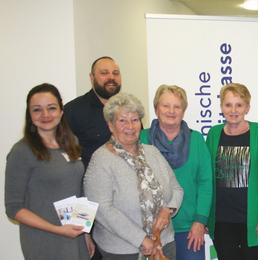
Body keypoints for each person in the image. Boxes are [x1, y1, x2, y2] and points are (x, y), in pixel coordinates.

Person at [84, 93, 183, 259]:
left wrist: (168, 210)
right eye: (122, 120)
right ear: (110, 125)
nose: (130, 126)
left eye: (135, 120)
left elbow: (176, 188)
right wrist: (142, 240)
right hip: (124, 251)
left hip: (165, 243)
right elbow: (102, 209)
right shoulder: (101, 159)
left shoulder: (152, 152)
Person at [5, 83, 93, 260]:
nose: (45, 115)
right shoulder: (22, 151)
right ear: (30, 115)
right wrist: (58, 230)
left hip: (75, 236)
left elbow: (77, 191)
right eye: (37, 110)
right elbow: (14, 208)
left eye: (51, 108)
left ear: (61, 111)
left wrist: (85, 233)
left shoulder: (71, 143)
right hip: (45, 240)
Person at [206, 83, 258, 260]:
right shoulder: (214, 133)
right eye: (228, 105)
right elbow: (206, 178)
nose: (233, 110)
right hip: (222, 221)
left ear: (247, 107)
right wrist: (206, 216)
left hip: (253, 221)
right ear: (221, 106)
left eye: (239, 105)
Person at [140, 85, 213, 260]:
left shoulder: (196, 140)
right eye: (166, 106)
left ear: (183, 110)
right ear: (156, 108)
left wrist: (200, 221)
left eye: (177, 106)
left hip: (189, 229)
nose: (171, 111)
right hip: (150, 230)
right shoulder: (141, 139)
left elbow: (206, 183)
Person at [65, 56, 122, 167]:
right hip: (90, 181)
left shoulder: (130, 109)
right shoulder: (73, 111)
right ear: (92, 77)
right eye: (104, 73)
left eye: (115, 73)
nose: (111, 77)